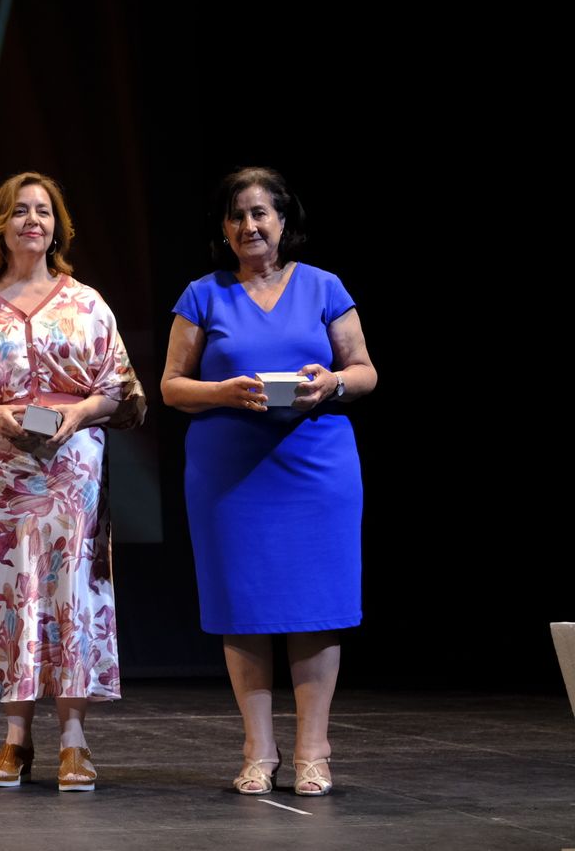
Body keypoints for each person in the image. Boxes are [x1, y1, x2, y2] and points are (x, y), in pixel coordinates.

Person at [160, 167, 376, 797]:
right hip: (231, 468)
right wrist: (223, 391)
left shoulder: (323, 286)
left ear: (284, 220)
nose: (249, 225)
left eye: (260, 213)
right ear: (224, 230)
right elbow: (173, 386)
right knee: (245, 606)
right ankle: (259, 748)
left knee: (316, 607)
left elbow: (363, 371)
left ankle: (314, 749)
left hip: (316, 463)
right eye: (236, 215)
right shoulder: (203, 294)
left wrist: (328, 383)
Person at [0, 171, 145, 792]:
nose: (32, 221)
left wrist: (76, 413)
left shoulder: (86, 302)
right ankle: (16, 739)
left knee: (71, 591)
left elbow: (119, 387)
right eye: (19, 211)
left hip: (73, 461)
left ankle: (74, 741)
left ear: (57, 226)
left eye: (43, 212)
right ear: (1, 224)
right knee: (10, 594)